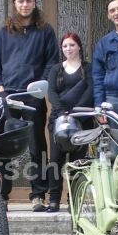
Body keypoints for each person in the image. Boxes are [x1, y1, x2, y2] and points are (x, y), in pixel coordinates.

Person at [0, 0, 59, 211]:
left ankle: (38, 195)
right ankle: (2, 195)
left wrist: (39, 85)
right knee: (3, 147)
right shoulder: (3, 33)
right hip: (7, 97)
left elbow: (52, 62)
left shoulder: (45, 31)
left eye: (28, 1)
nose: (25, 5)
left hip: (32, 96)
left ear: (34, 3)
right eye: (20, 1)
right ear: (14, 4)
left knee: (36, 146)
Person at [46, 32, 93, 213]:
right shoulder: (55, 69)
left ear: (79, 47)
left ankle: (74, 200)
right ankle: (54, 200)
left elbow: (90, 90)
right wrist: (62, 112)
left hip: (82, 121)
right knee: (56, 161)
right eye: (65, 46)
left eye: (72, 45)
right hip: (58, 120)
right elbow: (51, 93)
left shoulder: (87, 68)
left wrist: (75, 112)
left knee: (77, 162)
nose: (68, 49)